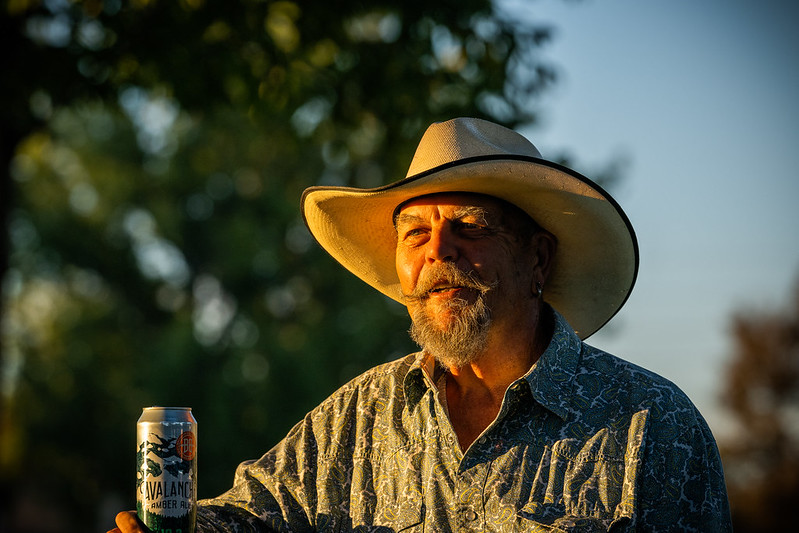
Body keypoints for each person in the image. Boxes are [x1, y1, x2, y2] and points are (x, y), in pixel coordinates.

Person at [111, 118, 732, 532]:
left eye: (470, 226)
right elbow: (251, 518)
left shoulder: (654, 427)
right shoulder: (357, 418)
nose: (439, 251)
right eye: (415, 233)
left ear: (537, 258)